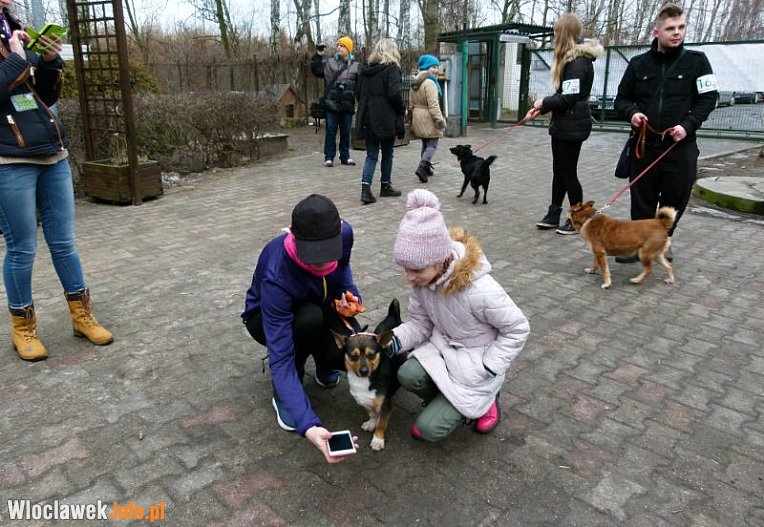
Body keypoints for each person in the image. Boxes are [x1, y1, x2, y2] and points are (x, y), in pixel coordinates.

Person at [0, 3, 113, 361]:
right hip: (9, 161)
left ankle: (82, 316)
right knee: (22, 249)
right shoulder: (13, 44)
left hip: (52, 154)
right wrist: (17, 59)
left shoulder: (14, 29)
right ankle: (23, 328)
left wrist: (48, 62)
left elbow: (42, 97)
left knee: (64, 243)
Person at [387, 189, 530, 442]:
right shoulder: (422, 283)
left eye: (416, 269)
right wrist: (392, 339)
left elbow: (518, 328)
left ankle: (487, 400)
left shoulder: (481, 290)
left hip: (477, 363)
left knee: (429, 430)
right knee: (406, 374)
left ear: (439, 260)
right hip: (444, 348)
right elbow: (420, 325)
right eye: (406, 269)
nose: (409, 277)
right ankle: (446, 401)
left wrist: (491, 366)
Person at [242, 194, 362, 463]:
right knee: (308, 320)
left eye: (327, 254)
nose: (321, 265)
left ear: (340, 228)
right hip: (267, 319)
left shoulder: (345, 234)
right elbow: (281, 356)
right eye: (312, 257)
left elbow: (343, 267)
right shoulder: (277, 273)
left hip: (318, 304)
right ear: (293, 236)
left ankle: (323, 362)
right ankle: (285, 394)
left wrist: (349, 295)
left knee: (347, 349)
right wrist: (308, 424)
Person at [614, 2, 716, 263]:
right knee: (642, 201)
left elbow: (708, 99)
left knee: (674, 199)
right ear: (657, 32)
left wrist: (687, 126)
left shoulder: (697, 62)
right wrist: (632, 114)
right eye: (671, 28)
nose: (677, 33)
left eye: (681, 27)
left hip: (679, 147)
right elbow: (621, 100)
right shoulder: (638, 64)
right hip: (645, 146)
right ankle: (639, 244)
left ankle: (662, 240)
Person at [528, 13, 603, 235]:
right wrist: (542, 109)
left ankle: (579, 218)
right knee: (559, 170)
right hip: (564, 122)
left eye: (555, 33)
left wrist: (543, 102)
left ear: (564, 34)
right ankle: (554, 213)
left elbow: (569, 98)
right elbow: (564, 94)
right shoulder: (571, 60)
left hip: (572, 124)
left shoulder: (578, 63)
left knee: (568, 172)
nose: (554, 38)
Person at [355, 38, 406, 205]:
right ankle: (385, 185)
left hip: (367, 115)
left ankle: (365, 189)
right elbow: (394, 94)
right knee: (387, 152)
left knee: (371, 154)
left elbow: (358, 93)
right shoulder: (392, 69)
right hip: (385, 117)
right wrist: (401, 109)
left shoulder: (364, 70)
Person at [311, 37, 360, 168]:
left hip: (347, 105)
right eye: (338, 45)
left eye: (342, 46)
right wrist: (318, 55)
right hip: (331, 104)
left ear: (348, 49)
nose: (339, 47)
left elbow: (360, 86)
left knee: (346, 132)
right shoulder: (329, 63)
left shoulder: (356, 66)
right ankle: (329, 157)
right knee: (331, 132)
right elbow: (316, 69)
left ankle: (345, 156)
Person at [410, 55, 446, 183]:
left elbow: (411, 102)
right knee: (432, 145)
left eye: (437, 67)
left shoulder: (416, 82)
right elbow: (433, 105)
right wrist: (439, 120)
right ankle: (422, 168)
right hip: (428, 116)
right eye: (433, 67)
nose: (436, 70)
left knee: (425, 143)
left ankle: (426, 168)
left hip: (418, 115)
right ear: (426, 67)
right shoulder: (430, 83)